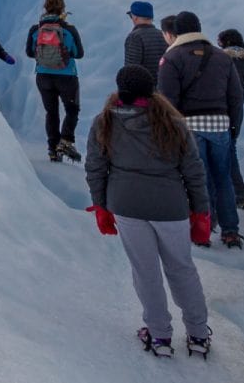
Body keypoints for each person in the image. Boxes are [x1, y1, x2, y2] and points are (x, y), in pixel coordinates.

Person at [86, 65, 214, 359]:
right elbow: (193, 172)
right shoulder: (173, 123)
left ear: (121, 91)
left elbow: (95, 168)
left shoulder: (104, 121)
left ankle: (159, 336)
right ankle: (197, 333)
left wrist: (101, 206)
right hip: (170, 208)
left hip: (126, 206)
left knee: (146, 273)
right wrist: (201, 212)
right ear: (151, 90)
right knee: (182, 269)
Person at [158, 11, 244, 248]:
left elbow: (167, 100)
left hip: (189, 126)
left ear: (176, 31)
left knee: (200, 180)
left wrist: (170, 132)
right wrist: (232, 127)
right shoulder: (222, 57)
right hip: (220, 126)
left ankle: (203, 231)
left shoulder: (172, 57)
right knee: (223, 178)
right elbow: (236, 97)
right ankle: (230, 231)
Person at [25, 0, 85, 162]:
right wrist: (65, 52)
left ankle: (53, 149)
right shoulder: (69, 30)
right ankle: (66, 140)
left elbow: (29, 53)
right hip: (66, 76)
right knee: (72, 109)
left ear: (46, 8)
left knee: (51, 112)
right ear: (62, 9)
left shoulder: (35, 30)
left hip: (43, 77)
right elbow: (79, 54)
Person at [217, 28, 244, 209]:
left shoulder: (226, 62)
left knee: (228, 154)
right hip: (237, 113)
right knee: (229, 151)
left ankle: (240, 193)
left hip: (224, 113)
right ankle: (237, 193)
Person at [123, 0, 167, 77]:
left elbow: (130, 70)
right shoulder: (163, 35)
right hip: (163, 85)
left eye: (131, 16)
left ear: (135, 17)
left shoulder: (134, 37)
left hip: (143, 87)